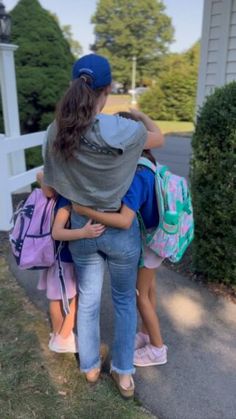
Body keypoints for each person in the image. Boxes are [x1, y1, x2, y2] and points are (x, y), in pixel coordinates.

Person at [43, 53, 164, 397]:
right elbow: (159, 139)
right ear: (107, 88)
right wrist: (139, 113)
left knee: (90, 298)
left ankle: (91, 368)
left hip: (81, 227)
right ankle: (124, 375)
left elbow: (51, 188)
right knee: (125, 300)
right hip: (119, 229)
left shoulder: (55, 131)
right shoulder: (124, 129)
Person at [74, 138, 167, 367]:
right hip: (160, 236)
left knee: (139, 296)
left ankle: (157, 347)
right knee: (149, 289)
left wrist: (85, 210)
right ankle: (146, 334)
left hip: (148, 241)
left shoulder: (136, 176)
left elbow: (125, 220)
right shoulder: (150, 164)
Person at [36, 171, 105, 353]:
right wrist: (84, 232)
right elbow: (56, 232)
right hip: (63, 259)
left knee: (59, 296)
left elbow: (41, 174)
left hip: (60, 258)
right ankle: (63, 337)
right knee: (72, 297)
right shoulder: (67, 199)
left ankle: (59, 335)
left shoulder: (61, 193)